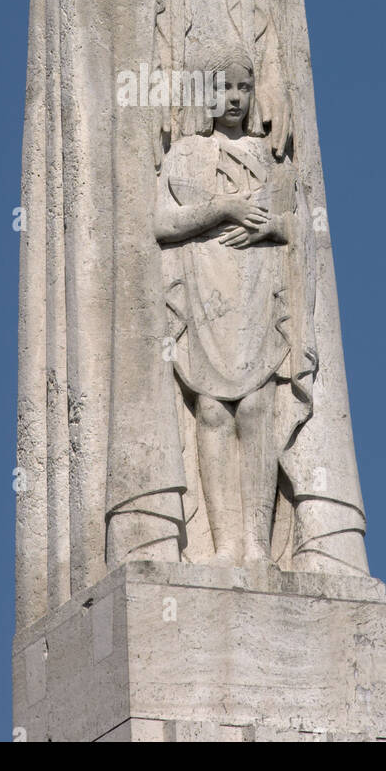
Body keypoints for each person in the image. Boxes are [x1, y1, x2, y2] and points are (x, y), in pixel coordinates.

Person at [16, 0, 369, 636]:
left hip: (245, 126)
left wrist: (278, 88)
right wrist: (136, 106)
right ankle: (154, 522)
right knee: (165, 343)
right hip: (145, 124)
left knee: (268, 346)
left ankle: (283, 533)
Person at [154, 49, 316, 565]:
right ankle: (225, 546)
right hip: (205, 284)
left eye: (243, 88)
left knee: (257, 406)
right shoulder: (185, 154)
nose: (235, 98)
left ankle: (256, 543)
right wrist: (221, 207)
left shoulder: (267, 155)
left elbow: (303, 225)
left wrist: (274, 226)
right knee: (212, 411)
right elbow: (163, 223)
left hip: (256, 286)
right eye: (224, 88)